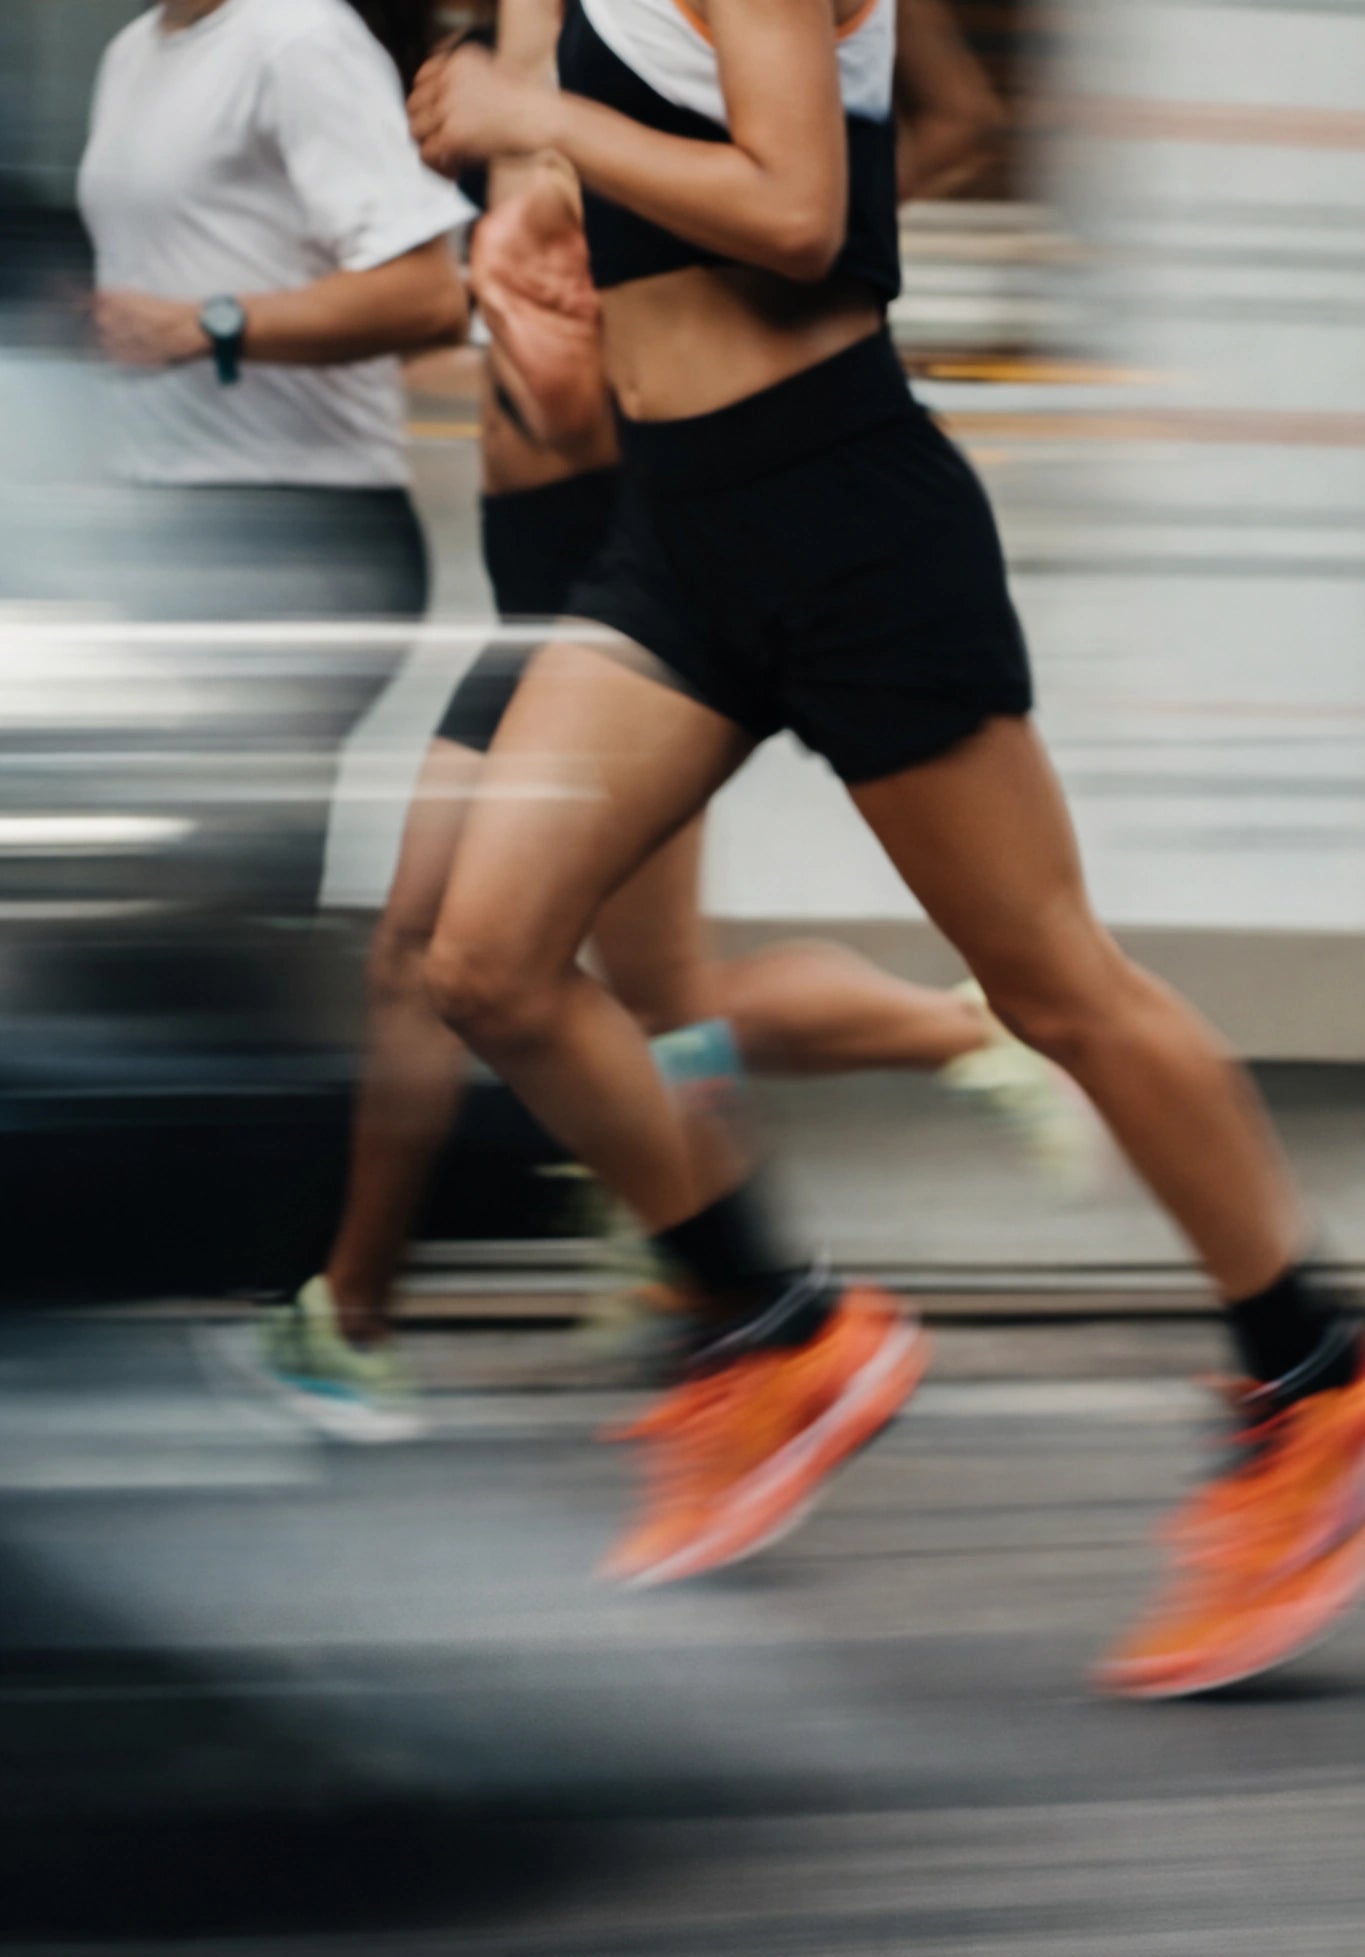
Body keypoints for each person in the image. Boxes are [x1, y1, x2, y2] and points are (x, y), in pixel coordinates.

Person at [397, 0, 1365, 1687]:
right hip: (678, 536)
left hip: (845, 520)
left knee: (1057, 984)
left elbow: (800, 214)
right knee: (483, 959)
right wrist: (552, 205)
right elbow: (874, 136)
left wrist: (529, 116)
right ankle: (775, 1331)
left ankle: (1315, 1379)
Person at [266, 17, 1089, 1434]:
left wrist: (711, 297)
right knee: (506, 964)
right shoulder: (553, 35)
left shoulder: (602, 51)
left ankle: (894, 1105)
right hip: (547, 563)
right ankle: (678, 1285)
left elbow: (743, 241)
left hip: (629, 548)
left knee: (572, 977)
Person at [77, 0, 471, 907]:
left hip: (311, 532)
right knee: (163, 898)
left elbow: (425, 297)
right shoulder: (130, 51)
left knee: (228, 896)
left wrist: (202, 324)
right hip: (169, 524)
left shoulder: (298, 36)